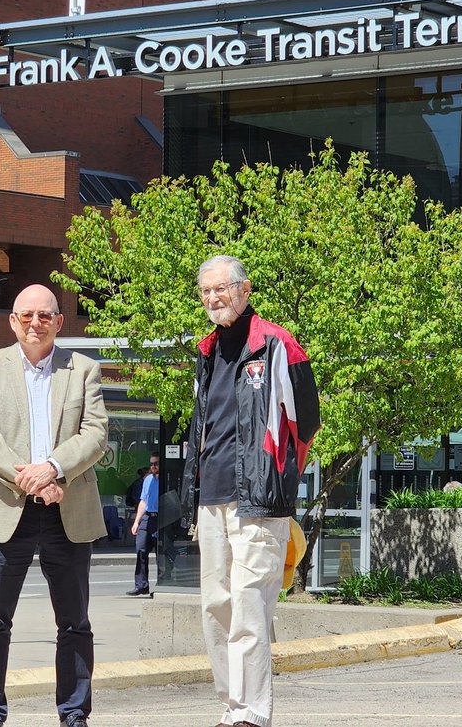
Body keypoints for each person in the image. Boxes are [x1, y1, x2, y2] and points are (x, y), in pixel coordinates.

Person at [178, 255, 320, 727]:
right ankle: (231, 706)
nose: (215, 298)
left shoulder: (277, 345)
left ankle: (252, 713)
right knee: (216, 607)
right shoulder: (205, 352)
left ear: (245, 289)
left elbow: (307, 422)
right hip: (211, 501)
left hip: (257, 502)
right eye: (207, 292)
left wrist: (278, 479)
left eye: (223, 288)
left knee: (249, 606)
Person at [0, 284, 108, 727]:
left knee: (75, 622)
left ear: (60, 322)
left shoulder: (83, 369)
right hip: (5, 508)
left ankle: (74, 714)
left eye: (45, 315)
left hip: (68, 508)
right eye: (26, 315)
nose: (35, 323)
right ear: (12, 321)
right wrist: (34, 479)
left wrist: (55, 469)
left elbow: (96, 435)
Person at [127, 454, 161, 597]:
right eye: (151, 464)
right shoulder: (147, 480)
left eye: (156, 464)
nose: (153, 467)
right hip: (148, 517)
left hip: (160, 518)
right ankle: (141, 585)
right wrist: (137, 521)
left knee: (161, 553)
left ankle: (162, 584)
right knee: (141, 549)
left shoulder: (165, 479)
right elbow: (143, 501)